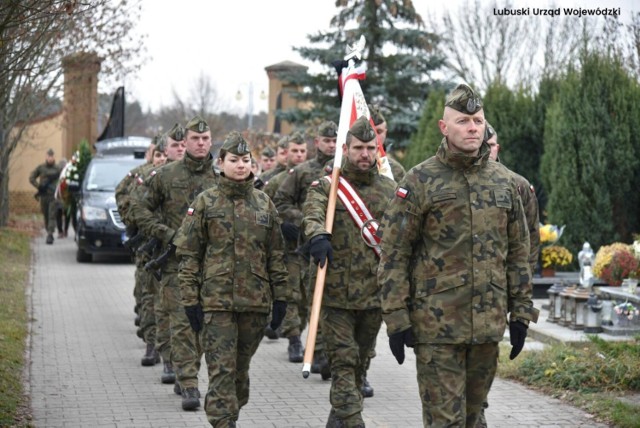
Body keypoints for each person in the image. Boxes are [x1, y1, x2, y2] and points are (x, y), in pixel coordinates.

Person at [377, 83, 539, 427]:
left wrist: (521, 313)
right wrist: (396, 319)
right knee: (444, 421)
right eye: (464, 121)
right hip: (437, 327)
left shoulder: (505, 183)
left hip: (487, 325)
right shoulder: (420, 181)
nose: (472, 128)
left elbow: (518, 254)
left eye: (478, 121)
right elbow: (394, 252)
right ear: (444, 127)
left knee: (473, 417)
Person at [174, 132, 289, 428]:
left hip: (255, 304)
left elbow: (276, 254)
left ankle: (229, 415)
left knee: (239, 372)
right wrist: (190, 300)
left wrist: (282, 298)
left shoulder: (264, 203)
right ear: (221, 163)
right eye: (234, 160)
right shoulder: (205, 202)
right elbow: (190, 256)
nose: (241, 166)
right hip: (216, 304)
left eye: (246, 160)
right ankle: (224, 422)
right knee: (222, 371)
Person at [302, 116, 396, 428]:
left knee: (360, 363)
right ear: (346, 148)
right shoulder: (329, 187)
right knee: (342, 361)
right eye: (358, 148)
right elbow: (312, 213)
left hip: (373, 295)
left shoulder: (390, 190)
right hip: (335, 295)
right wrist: (316, 235)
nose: (365, 154)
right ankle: (354, 421)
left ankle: (339, 417)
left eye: (371, 147)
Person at [130, 116, 217, 411]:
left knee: (203, 328)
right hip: (175, 265)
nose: (200, 143)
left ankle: (186, 369)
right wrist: (167, 234)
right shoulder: (165, 176)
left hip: (211, 268)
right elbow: (138, 209)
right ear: (185, 143)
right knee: (181, 325)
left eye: (205, 139)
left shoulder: (221, 179)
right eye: (195, 139)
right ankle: (189, 382)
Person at [476, 121, 541, 428]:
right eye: (481, 145)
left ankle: (479, 409)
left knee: (485, 363)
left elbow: (527, 251)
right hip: (453, 299)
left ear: (497, 147)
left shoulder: (517, 186)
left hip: (497, 295)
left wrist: (522, 311)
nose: (485, 151)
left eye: (490, 146)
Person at [273, 120, 337, 367]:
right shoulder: (302, 172)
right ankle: (294, 339)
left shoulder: (342, 170)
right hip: (300, 246)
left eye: (334, 141)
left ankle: (319, 349)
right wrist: (302, 222)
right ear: (317, 142)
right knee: (294, 295)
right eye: (326, 140)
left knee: (320, 298)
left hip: (330, 246)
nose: (331, 145)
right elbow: (281, 202)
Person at [30, 148, 63, 245]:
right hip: (44, 196)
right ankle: (48, 230)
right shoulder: (41, 168)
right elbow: (31, 178)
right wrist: (38, 186)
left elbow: (63, 180)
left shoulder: (58, 169)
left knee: (52, 215)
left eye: (52, 156)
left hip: (53, 196)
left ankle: (50, 234)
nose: (50, 158)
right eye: (48, 156)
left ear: (54, 157)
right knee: (46, 215)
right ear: (46, 157)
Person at [262, 132, 308, 200]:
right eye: (295, 151)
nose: (299, 155)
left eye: (302, 151)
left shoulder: (313, 175)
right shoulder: (274, 180)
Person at [368, 103, 406, 182]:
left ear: (385, 132)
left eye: (379, 131)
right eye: (370, 132)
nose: (375, 137)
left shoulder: (396, 170)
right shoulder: (341, 167)